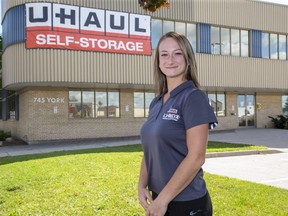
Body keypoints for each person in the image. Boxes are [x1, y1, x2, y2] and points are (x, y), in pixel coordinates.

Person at [138, 32, 218, 216]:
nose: (170, 60)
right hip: (159, 198)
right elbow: (150, 150)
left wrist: (162, 201)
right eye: (164, 54)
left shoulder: (193, 97)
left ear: (188, 59)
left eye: (178, 53)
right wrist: (142, 185)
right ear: (158, 62)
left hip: (187, 204)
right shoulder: (157, 102)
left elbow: (197, 157)